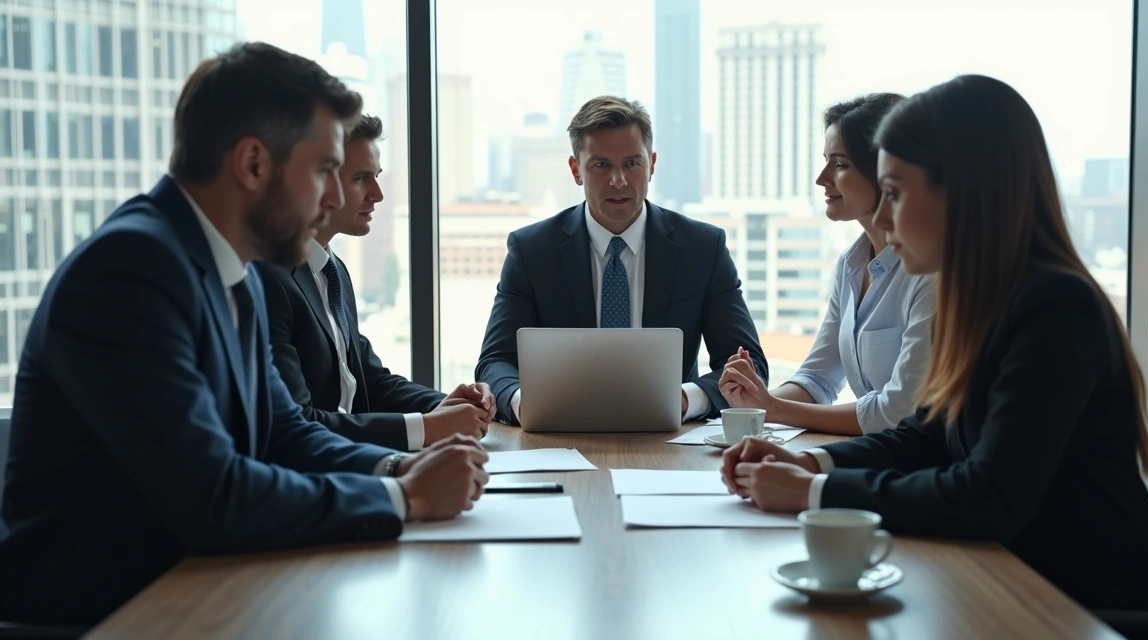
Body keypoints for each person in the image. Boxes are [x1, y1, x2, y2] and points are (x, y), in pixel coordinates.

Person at [0, 43, 489, 625]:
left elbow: (282, 432)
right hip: (112, 615)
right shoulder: (130, 270)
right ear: (253, 164)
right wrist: (404, 499)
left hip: (210, 585)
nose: (334, 197)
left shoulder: (236, 271)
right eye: (324, 170)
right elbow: (212, 496)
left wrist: (395, 470)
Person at [720, 75, 1148, 612]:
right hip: (1006, 586)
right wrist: (812, 466)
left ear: (962, 190)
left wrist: (813, 495)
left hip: (1083, 609)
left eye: (895, 193)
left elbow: (989, 495)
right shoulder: (988, 299)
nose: (885, 217)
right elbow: (928, 434)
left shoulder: (1056, 308)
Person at [476, 96, 766, 425]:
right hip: (559, 436)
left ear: (652, 164)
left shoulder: (702, 248)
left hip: (670, 442)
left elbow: (748, 363)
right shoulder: (531, 251)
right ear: (576, 170)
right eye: (601, 165)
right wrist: (521, 402)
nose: (619, 180)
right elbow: (495, 361)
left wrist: (685, 400)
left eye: (632, 163)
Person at [255, 114, 495, 452]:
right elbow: (298, 422)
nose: (378, 194)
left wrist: (451, 405)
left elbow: (369, 381)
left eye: (377, 177)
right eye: (361, 178)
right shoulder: (268, 278)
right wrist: (426, 428)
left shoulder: (332, 268)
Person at [719, 94, 935, 435]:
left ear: (885, 169)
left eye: (839, 164)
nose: (821, 178)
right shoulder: (851, 264)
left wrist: (774, 409)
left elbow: (899, 411)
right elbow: (817, 380)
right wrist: (756, 403)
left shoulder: (930, 273)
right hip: (882, 456)